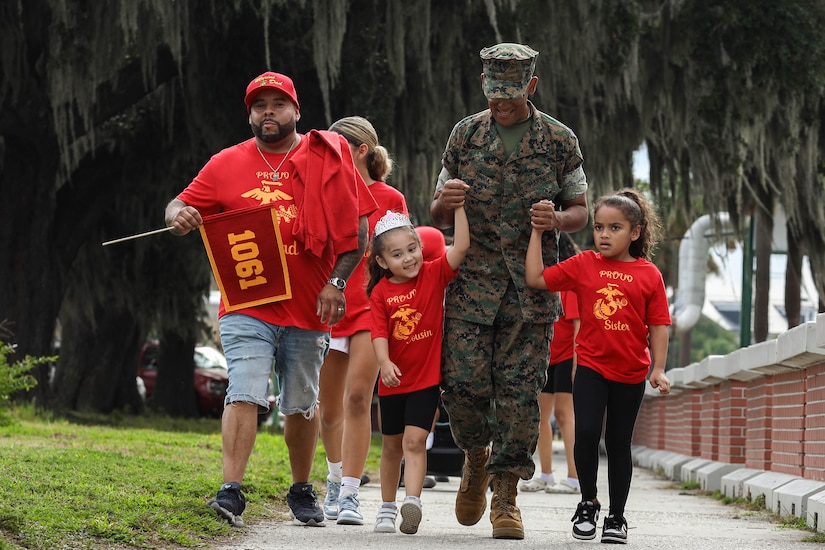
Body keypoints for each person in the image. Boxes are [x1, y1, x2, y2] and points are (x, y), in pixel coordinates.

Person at [165, 71, 377, 528]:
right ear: (250, 114)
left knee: (301, 402)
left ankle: (301, 489)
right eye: (259, 105)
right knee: (245, 388)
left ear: (296, 111)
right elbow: (178, 204)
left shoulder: (329, 155)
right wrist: (181, 215)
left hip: (309, 307)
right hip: (247, 306)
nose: (268, 112)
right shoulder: (225, 163)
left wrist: (336, 283)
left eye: (277, 104)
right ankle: (230, 490)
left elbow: (358, 232)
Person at [430, 42, 589, 540]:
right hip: (472, 286)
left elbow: (581, 212)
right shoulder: (465, 134)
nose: (501, 105)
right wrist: (444, 201)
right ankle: (476, 454)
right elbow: (437, 208)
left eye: (511, 96)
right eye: (494, 95)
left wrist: (557, 218)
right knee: (460, 387)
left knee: (520, 397)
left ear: (532, 87)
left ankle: (506, 495)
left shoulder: (559, 140)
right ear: (484, 86)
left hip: (531, 292)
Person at [525, 188, 672, 544]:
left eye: (615, 228)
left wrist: (658, 368)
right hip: (591, 367)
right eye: (599, 227)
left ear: (635, 232)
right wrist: (536, 233)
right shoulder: (584, 264)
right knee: (586, 432)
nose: (604, 235)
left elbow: (659, 324)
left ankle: (617, 518)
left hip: (632, 372)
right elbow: (537, 279)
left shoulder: (649, 274)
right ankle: (588, 503)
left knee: (619, 443)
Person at [317, 116, 408, 525]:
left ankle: (351, 493)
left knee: (357, 398)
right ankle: (333, 479)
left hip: (371, 310)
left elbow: (403, 259)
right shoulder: (320, 192)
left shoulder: (391, 197)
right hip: (326, 309)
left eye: (336, 148)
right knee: (328, 405)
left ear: (360, 151)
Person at [367, 207, 469, 535]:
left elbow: (463, 247)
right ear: (382, 262)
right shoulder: (381, 292)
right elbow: (379, 332)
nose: (409, 258)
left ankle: (412, 501)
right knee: (391, 445)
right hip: (393, 381)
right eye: (397, 254)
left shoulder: (434, 273)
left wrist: (459, 208)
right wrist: (384, 363)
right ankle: (385, 507)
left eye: (412, 249)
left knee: (415, 441)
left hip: (425, 381)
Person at [518, 232, 581, 495]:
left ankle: (575, 478)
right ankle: (545, 474)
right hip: (545, 358)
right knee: (540, 417)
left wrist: (579, 364)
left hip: (568, 357)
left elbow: (579, 326)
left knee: (566, 416)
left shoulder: (571, 285)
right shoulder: (541, 283)